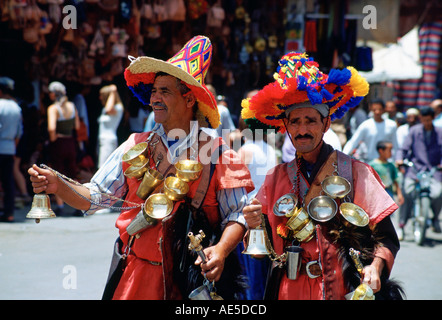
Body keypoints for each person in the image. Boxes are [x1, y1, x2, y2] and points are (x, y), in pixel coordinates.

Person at [28, 36, 254, 300]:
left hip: (190, 282)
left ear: (190, 99)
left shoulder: (219, 154)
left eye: (165, 92)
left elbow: (238, 214)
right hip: (135, 278)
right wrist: (59, 185)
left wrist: (222, 250)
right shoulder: (134, 145)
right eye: (154, 91)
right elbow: (96, 197)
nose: (154, 98)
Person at [240, 52, 402, 300]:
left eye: (310, 121)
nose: (302, 130)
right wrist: (253, 227)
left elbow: (387, 238)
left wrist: (375, 267)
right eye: (295, 122)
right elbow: (262, 253)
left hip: (340, 287)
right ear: (286, 127)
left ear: (326, 124)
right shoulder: (275, 179)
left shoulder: (356, 172)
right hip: (288, 290)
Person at [395, 106, 442, 240]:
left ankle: (434, 219)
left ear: (433, 119)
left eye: (428, 120)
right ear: (420, 119)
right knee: (407, 192)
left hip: (434, 171)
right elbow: (403, 149)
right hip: (415, 169)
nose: (426, 123)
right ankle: (401, 225)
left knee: (438, 194)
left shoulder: (439, 132)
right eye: (424, 120)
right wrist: (399, 159)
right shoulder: (414, 131)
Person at [46, 81, 80, 215]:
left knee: (56, 174)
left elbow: (51, 128)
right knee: (72, 175)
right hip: (70, 142)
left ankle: (60, 206)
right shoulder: (72, 106)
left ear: (54, 94)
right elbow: (77, 126)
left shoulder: (53, 108)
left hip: (58, 143)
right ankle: (78, 205)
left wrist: (53, 139)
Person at [343, 99, 398, 163]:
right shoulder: (365, 125)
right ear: (371, 110)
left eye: (379, 109)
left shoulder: (392, 125)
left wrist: (396, 160)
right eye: (375, 110)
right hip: (369, 163)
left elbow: (395, 145)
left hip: (386, 163)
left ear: (384, 110)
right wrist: (343, 155)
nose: (377, 112)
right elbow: (353, 142)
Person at [0, 77, 23, 222]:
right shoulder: (16, 107)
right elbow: (19, 133)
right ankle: (9, 213)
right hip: (9, 148)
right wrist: (13, 146)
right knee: (8, 182)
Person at [97, 84, 124, 168]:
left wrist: (113, 92)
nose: (100, 98)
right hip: (102, 141)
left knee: (104, 167)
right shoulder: (104, 109)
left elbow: (109, 109)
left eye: (102, 95)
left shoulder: (118, 108)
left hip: (108, 141)